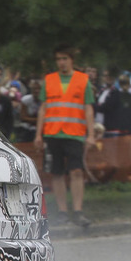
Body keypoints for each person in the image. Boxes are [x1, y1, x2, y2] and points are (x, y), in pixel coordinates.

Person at [35, 45, 96, 228]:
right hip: (52, 133)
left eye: (64, 58)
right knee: (57, 173)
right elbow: (43, 108)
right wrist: (38, 134)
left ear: (71, 60)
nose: (61, 62)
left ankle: (78, 211)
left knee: (77, 171)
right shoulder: (49, 80)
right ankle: (62, 212)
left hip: (75, 133)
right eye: (58, 59)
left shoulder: (83, 80)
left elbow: (88, 108)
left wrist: (91, 134)